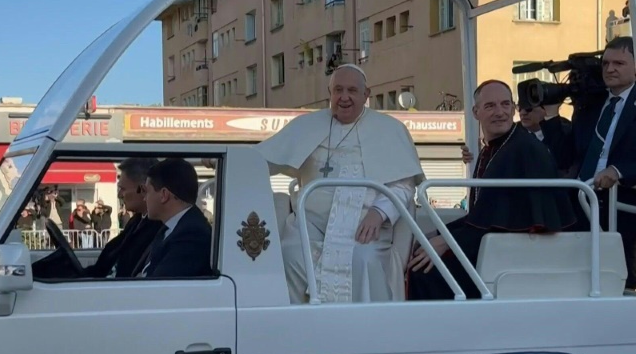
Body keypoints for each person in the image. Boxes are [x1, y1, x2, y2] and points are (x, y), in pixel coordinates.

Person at [254, 63, 425, 304]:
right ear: (330, 93)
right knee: (289, 253)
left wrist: (379, 213)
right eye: (338, 90)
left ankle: (364, 322)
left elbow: (404, 185)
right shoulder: (307, 125)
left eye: (352, 90)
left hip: (364, 225)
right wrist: (225, 158)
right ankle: (299, 321)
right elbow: (262, 158)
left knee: (363, 259)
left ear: (366, 94)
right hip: (310, 224)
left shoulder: (389, 129)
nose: (344, 97)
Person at [407, 80, 577, 300]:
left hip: (515, 251)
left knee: (423, 270)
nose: (500, 112)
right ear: (475, 112)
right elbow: (485, 215)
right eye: (490, 106)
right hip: (493, 243)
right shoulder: (495, 147)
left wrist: (446, 241)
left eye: (505, 104)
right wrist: (439, 235)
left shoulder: (525, 149)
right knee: (421, 247)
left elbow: (511, 222)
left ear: (514, 108)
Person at [542, 36, 636, 289]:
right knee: (575, 279)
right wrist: (551, 116)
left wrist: (619, 171)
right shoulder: (591, 105)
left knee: (620, 281)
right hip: (582, 202)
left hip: (623, 205)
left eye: (619, 63)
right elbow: (566, 157)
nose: (610, 69)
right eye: (605, 63)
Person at [81, 158, 163, 278]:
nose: (119, 195)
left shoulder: (158, 228)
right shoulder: (136, 221)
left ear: (144, 189)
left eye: (123, 189)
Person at [134, 158, 212, 278]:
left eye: (147, 192)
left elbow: (160, 283)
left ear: (164, 195)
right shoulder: (174, 227)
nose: (144, 199)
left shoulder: (192, 235)